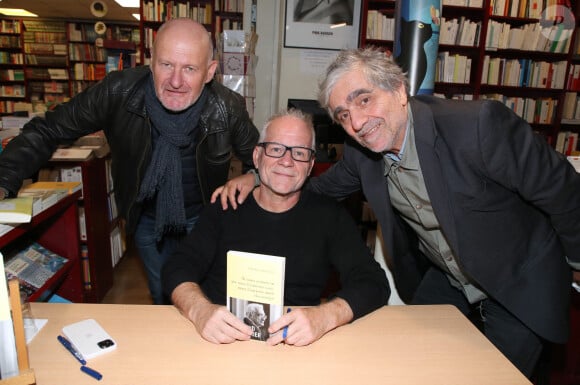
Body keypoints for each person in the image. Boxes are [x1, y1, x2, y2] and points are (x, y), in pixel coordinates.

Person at [211, 47, 580, 378]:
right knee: (413, 363)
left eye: (365, 99)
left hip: (518, 279)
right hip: (447, 276)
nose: (356, 122)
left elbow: (562, 188)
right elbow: (316, 187)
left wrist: (577, 262)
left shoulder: (479, 125)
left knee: (493, 375)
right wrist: (256, 176)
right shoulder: (362, 153)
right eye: (343, 114)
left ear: (400, 91)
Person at [0, 18, 259, 305]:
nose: (175, 81)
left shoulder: (228, 107)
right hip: (146, 219)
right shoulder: (117, 92)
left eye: (189, 68)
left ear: (209, 72)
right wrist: (3, 180)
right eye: (166, 65)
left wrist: (252, 175)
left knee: (206, 297)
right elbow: (47, 129)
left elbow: (261, 158)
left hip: (205, 218)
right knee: (165, 295)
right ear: (151, 61)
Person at [162, 108, 389, 346]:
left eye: (300, 153)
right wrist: (200, 311)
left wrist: (325, 317)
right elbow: (178, 266)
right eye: (276, 149)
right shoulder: (226, 206)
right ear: (257, 156)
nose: (287, 161)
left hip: (295, 345)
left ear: (311, 165)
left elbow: (373, 282)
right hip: (220, 339)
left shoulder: (329, 216)